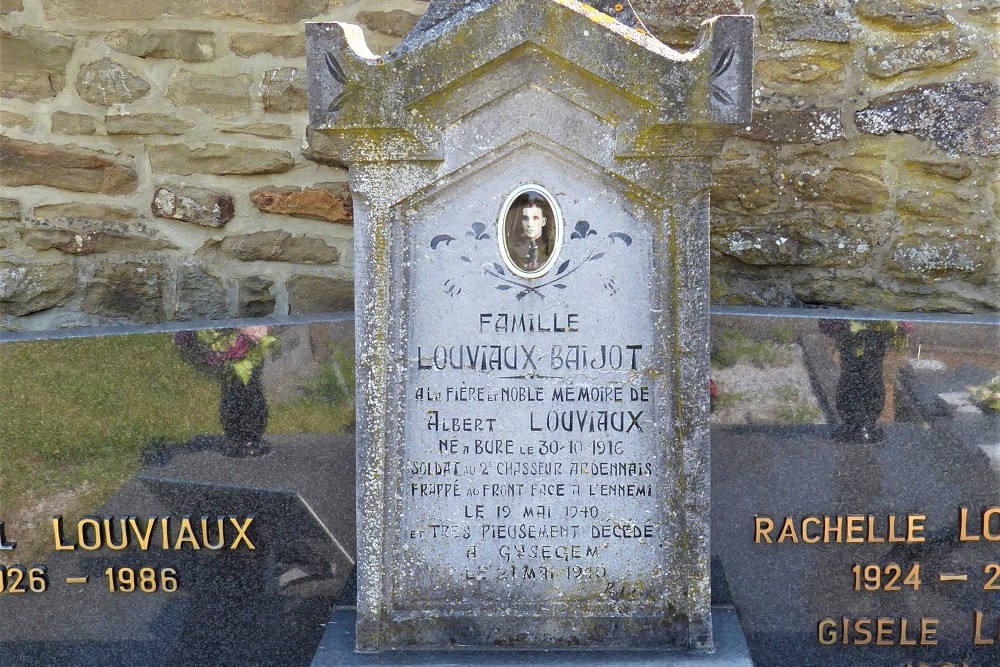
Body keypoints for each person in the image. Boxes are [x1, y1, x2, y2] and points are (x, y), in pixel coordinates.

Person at [505, 196, 553, 273]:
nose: (529, 224)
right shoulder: (513, 247)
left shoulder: (551, 247)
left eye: (535, 218)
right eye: (525, 219)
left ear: (543, 221)